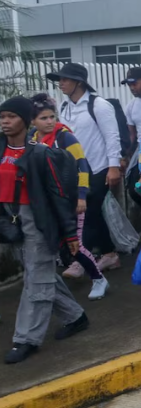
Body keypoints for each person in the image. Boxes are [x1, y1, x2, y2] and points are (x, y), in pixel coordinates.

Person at [2, 96, 89, 364]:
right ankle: (76, 316)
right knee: (39, 273)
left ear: (26, 121)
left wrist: (70, 234)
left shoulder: (40, 154)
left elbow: (58, 198)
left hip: (38, 221)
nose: (5, 121)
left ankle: (25, 338)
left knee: (36, 280)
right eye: (2, 116)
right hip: (9, 218)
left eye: (11, 116)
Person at [30, 95, 109, 301]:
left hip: (71, 199)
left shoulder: (65, 137)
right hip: (48, 201)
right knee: (57, 244)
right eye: (43, 118)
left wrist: (82, 196)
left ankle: (99, 279)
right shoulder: (32, 139)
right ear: (32, 121)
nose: (49, 122)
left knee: (77, 245)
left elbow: (82, 165)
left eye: (51, 117)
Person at [46, 63, 123, 272]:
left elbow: (112, 136)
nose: (60, 84)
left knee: (88, 212)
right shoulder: (64, 106)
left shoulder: (99, 105)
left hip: (99, 168)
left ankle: (81, 260)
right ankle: (109, 254)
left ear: (78, 82)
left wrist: (113, 167)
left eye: (65, 79)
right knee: (92, 214)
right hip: (74, 171)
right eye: (59, 80)